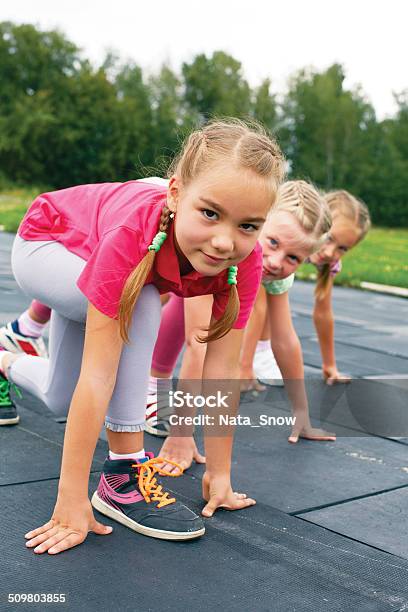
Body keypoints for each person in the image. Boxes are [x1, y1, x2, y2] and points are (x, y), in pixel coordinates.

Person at [0, 118, 285, 553]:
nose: (225, 241)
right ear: (175, 194)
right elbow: (100, 377)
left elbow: (221, 371)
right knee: (145, 298)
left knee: (61, 396)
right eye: (210, 213)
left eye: (247, 226)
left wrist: (220, 474)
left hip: (95, 252)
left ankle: (4, 360)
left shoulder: (242, 264)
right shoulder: (135, 234)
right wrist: (71, 501)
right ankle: (123, 471)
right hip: (47, 245)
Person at [144, 181, 335, 462]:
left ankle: (154, 383)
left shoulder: (277, 272)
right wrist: (181, 434)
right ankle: (154, 385)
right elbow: (200, 342)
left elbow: (284, 339)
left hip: (190, 279)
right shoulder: (218, 252)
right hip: (156, 229)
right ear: (256, 223)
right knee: (158, 306)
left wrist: (301, 413)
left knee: (182, 304)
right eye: (272, 243)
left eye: (293, 257)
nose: (276, 262)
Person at [249, 189, 371, 388]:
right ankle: (257, 352)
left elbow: (323, 314)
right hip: (251, 272)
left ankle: (259, 351)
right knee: (266, 288)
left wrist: (329, 366)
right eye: (330, 239)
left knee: (275, 287)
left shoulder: (328, 261)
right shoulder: (287, 237)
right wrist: (245, 367)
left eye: (343, 248)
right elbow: (257, 308)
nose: (331, 252)